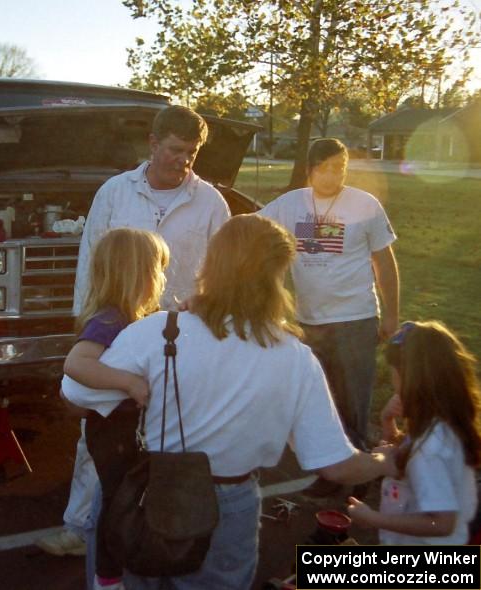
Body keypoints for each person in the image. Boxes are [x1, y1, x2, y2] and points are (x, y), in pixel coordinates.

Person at [62, 214, 395, 590]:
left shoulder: (158, 330)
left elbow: (75, 393)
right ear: (276, 276)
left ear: (210, 264)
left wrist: (138, 385)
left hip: (155, 493)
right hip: (228, 504)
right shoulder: (293, 357)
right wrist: (387, 459)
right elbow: (335, 465)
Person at [37, 105, 231, 561]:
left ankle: (168, 522)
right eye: (175, 150)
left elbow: (222, 270)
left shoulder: (211, 203)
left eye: (192, 153)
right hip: (120, 328)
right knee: (101, 427)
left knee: (176, 430)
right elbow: (91, 257)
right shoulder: (114, 192)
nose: (183, 161)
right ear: (152, 142)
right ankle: (80, 525)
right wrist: (85, 318)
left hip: (181, 334)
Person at [259, 138, 399, 496]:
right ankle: (329, 470)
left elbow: (384, 261)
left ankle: (359, 477)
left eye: (340, 167)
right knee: (320, 401)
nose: (333, 174)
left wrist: (391, 316)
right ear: (310, 170)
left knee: (354, 402)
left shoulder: (364, 204)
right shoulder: (290, 204)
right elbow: (251, 229)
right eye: (325, 167)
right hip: (309, 323)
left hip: (356, 318)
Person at [60, 228, 168, 590]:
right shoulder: (110, 320)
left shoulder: (130, 317)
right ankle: (108, 576)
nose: (163, 277)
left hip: (119, 430)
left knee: (123, 497)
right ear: (138, 273)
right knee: (118, 500)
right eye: (158, 268)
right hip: (112, 433)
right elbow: (77, 363)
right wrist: (130, 384)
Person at [347, 320, 481, 544]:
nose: (393, 383)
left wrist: (374, 519)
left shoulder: (432, 446)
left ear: (411, 379)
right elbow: (411, 458)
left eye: (394, 374)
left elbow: (441, 523)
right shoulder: (440, 422)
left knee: (315, 569)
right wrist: (387, 421)